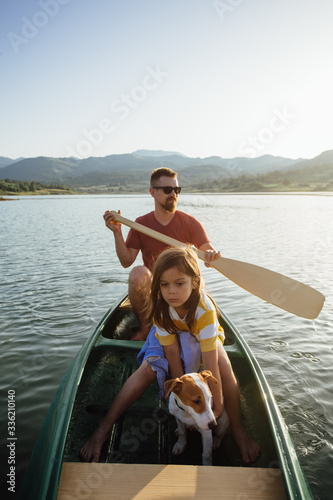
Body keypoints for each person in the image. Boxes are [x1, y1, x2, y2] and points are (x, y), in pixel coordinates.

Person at [80, 247, 260, 464]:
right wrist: (181, 395)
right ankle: (104, 427)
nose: (171, 291)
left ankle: (239, 431)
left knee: (223, 363)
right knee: (149, 368)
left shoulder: (205, 311)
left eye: (179, 283)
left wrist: (217, 406)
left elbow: (210, 362)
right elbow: (173, 355)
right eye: (164, 285)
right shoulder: (161, 308)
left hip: (199, 334)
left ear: (194, 282)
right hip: (169, 333)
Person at [103, 167, 221, 341]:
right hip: (157, 289)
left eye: (177, 190)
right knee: (138, 273)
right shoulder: (141, 224)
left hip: (183, 287)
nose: (173, 194)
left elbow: (207, 250)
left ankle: (192, 328)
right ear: (153, 192)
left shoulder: (190, 222)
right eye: (167, 190)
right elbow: (126, 261)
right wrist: (117, 232)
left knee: (199, 280)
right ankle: (145, 329)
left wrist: (212, 254)